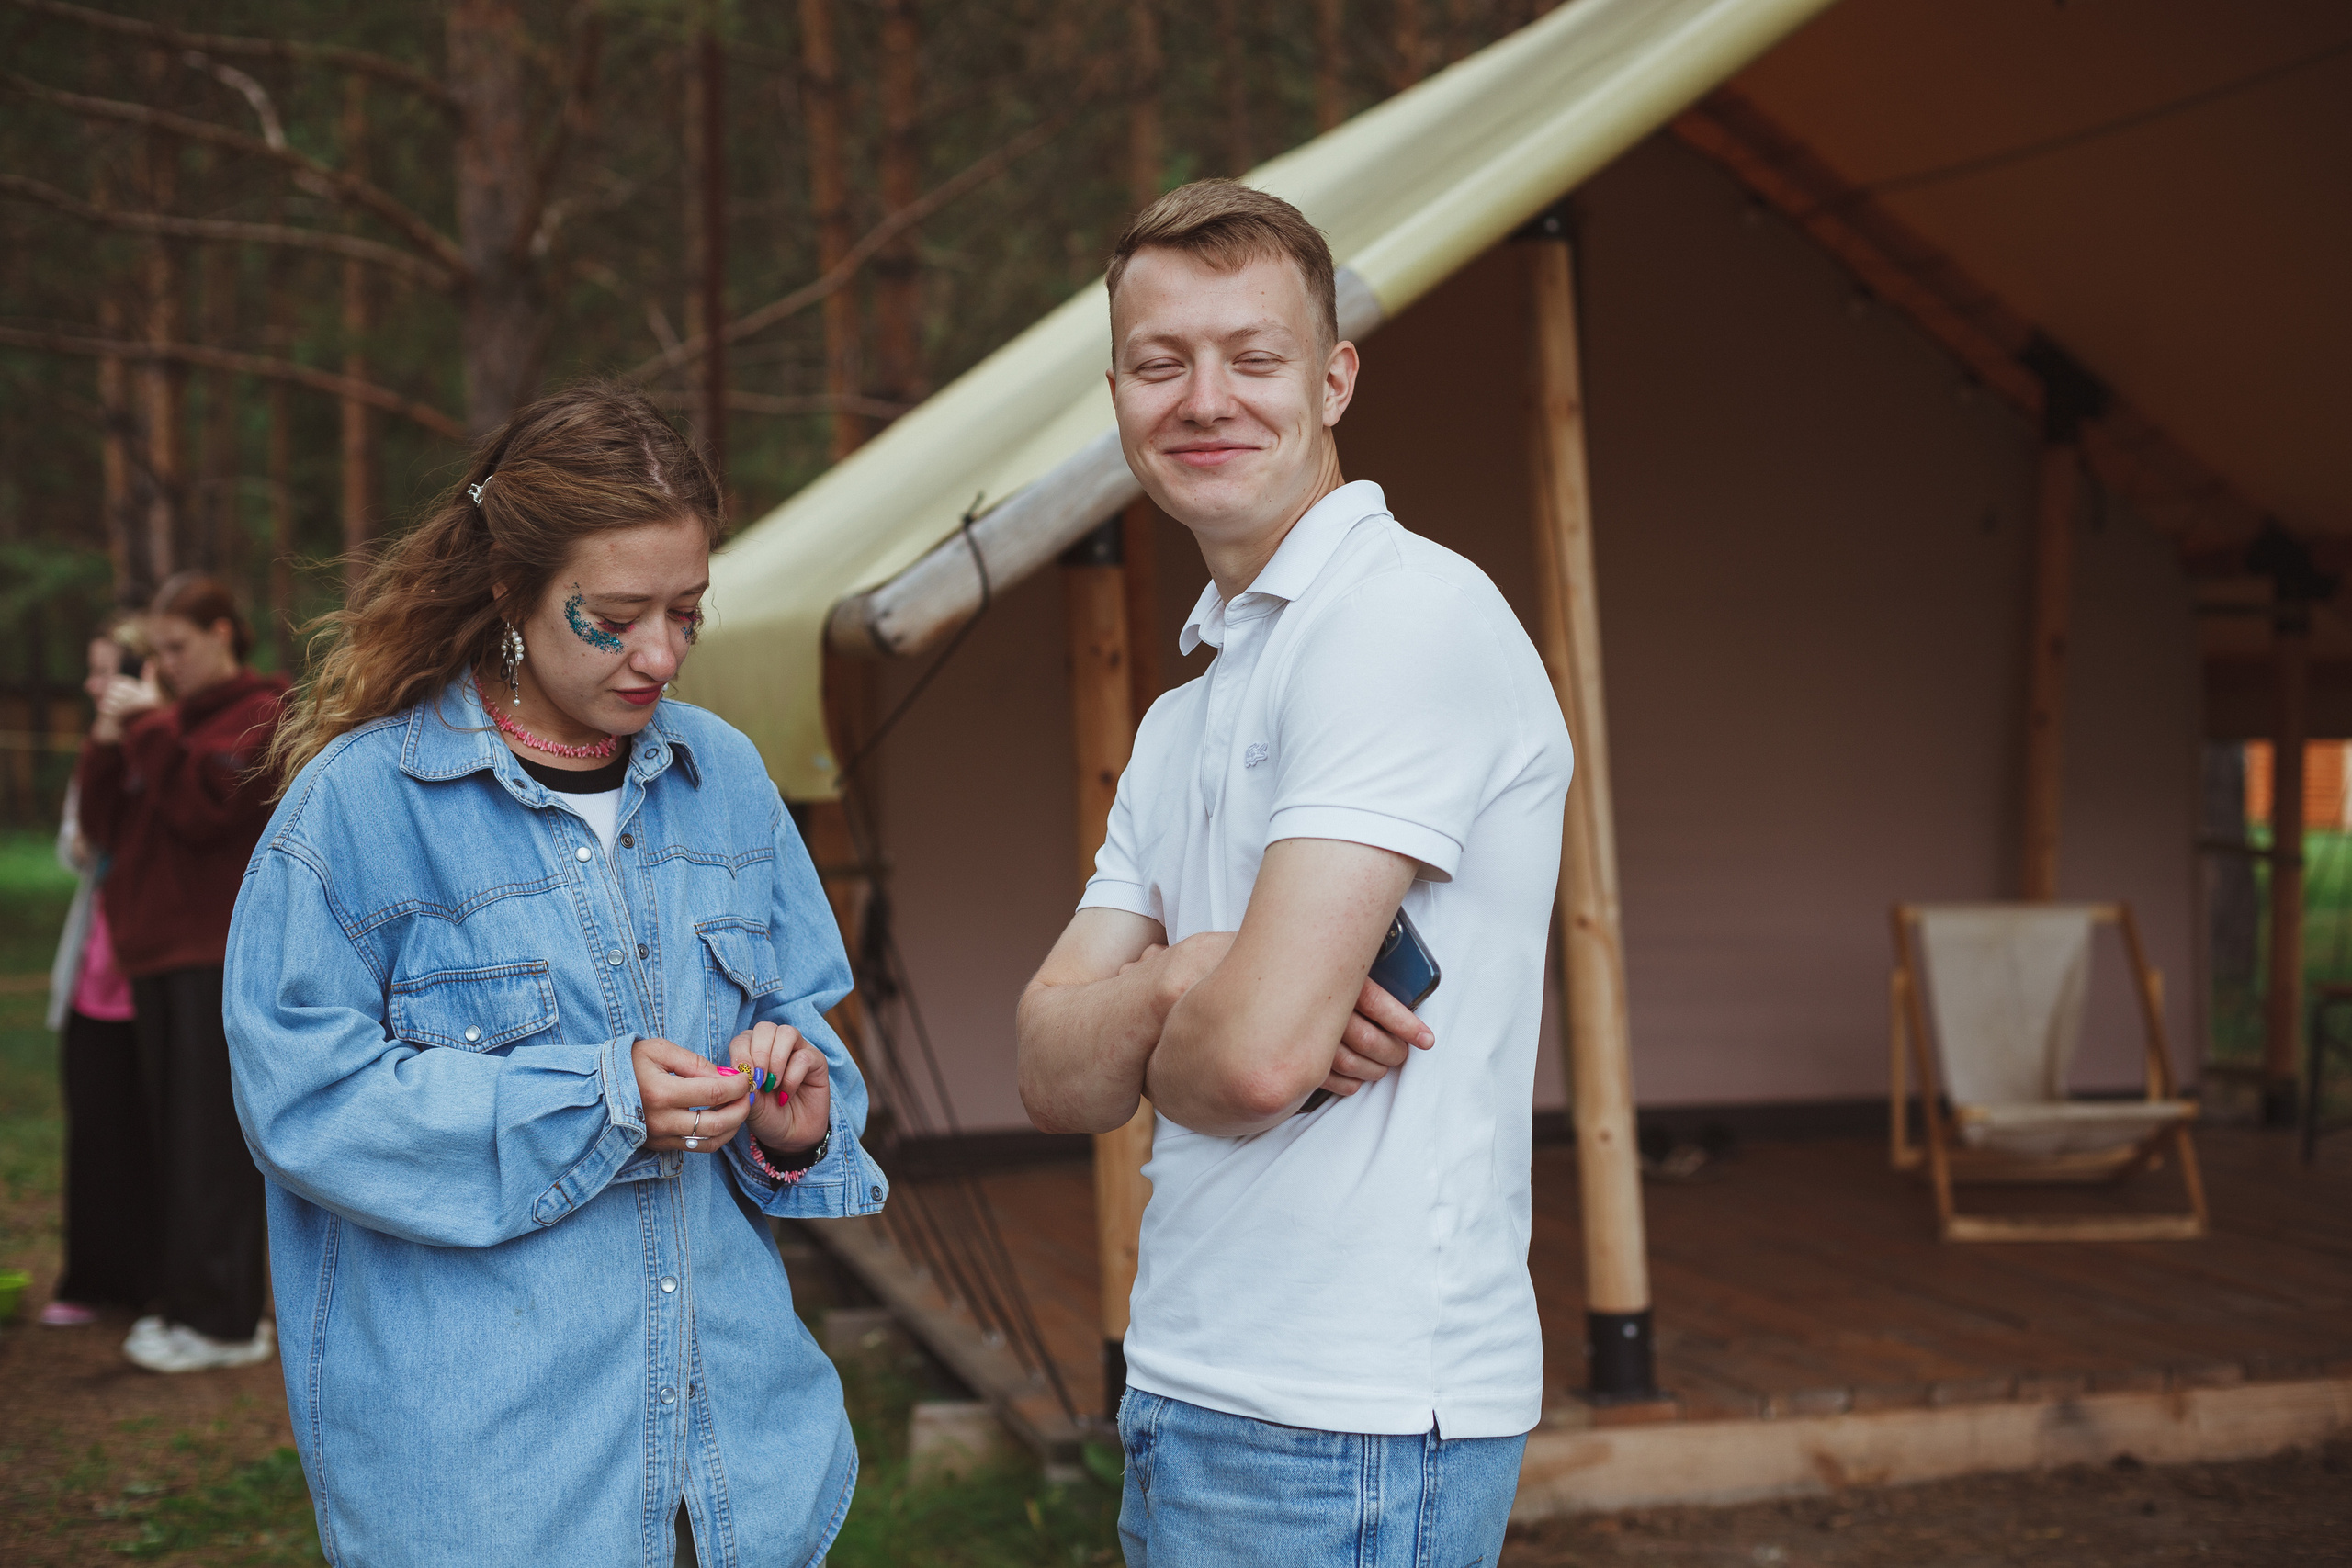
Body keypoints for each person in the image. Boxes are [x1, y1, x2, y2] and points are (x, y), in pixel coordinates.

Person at [224, 381, 888, 1567]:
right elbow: (305, 1103)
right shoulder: (360, 811)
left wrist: (798, 1111)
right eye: (614, 615)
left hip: (739, 1468)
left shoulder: (724, 776)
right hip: (496, 1486)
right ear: (507, 595)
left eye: (688, 610)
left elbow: (801, 1022)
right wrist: (598, 1093)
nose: (661, 653)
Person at [1014, 181, 1573, 1566]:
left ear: (1332, 380)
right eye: (1162, 362)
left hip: (1354, 1415)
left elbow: (1254, 1068)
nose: (1206, 397)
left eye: (1252, 357)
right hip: (1195, 1384)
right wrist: (1196, 972)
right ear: (1119, 391)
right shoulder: (1187, 709)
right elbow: (1045, 1068)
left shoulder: (1400, 617)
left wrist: (1174, 1007)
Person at [74, 573, 288, 1371]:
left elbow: (207, 807)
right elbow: (103, 827)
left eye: (178, 647)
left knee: (210, 1143)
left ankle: (225, 1321)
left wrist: (151, 729)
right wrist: (107, 743)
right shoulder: (163, 723)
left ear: (224, 633)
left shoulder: (264, 709)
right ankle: (190, 1302)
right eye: (156, 651)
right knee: (169, 1138)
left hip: (216, 953)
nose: (165, 664)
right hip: (154, 954)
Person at [40, 622, 162, 1328]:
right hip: (93, 975)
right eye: (90, 673)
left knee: (151, 1132)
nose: (91, 686)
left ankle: (153, 1279)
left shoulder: (164, 743)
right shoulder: (100, 750)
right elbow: (73, 845)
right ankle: (90, 1276)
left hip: (154, 976)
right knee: (94, 1131)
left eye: (102, 671)